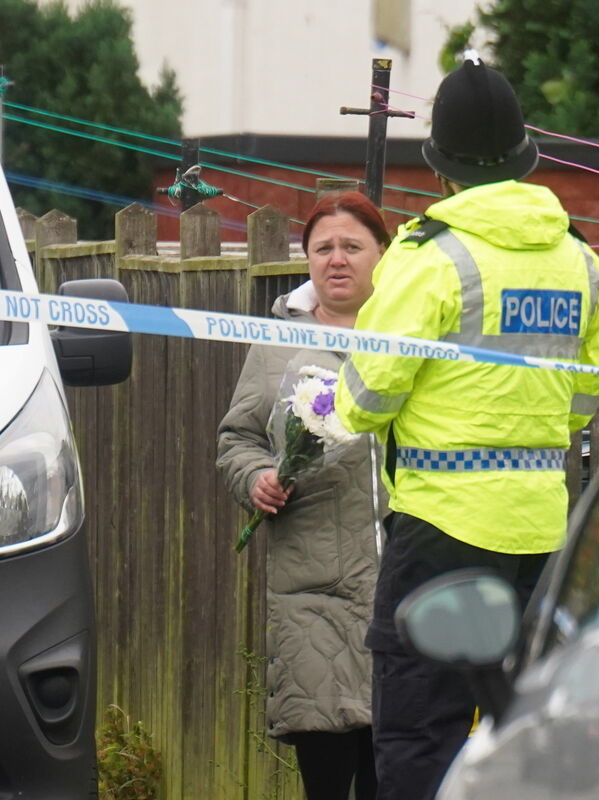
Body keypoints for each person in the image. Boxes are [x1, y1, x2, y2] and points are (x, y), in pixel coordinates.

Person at [335, 58, 599, 800]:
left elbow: (365, 399)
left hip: (439, 530)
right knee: (523, 732)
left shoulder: (430, 258)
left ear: (441, 167)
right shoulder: (583, 264)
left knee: (420, 735)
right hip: (540, 534)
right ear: (525, 157)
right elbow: (585, 396)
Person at [217, 190, 390, 800]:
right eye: (323, 248)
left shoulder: (413, 337)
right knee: (325, 761)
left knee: (390, 763)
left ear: (382, 254)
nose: (336, 260)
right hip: (312, 586)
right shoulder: (276, 342)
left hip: (397, 578)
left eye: (352, 246)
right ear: (308, 260)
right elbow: (238, 437)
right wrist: (255, 478)